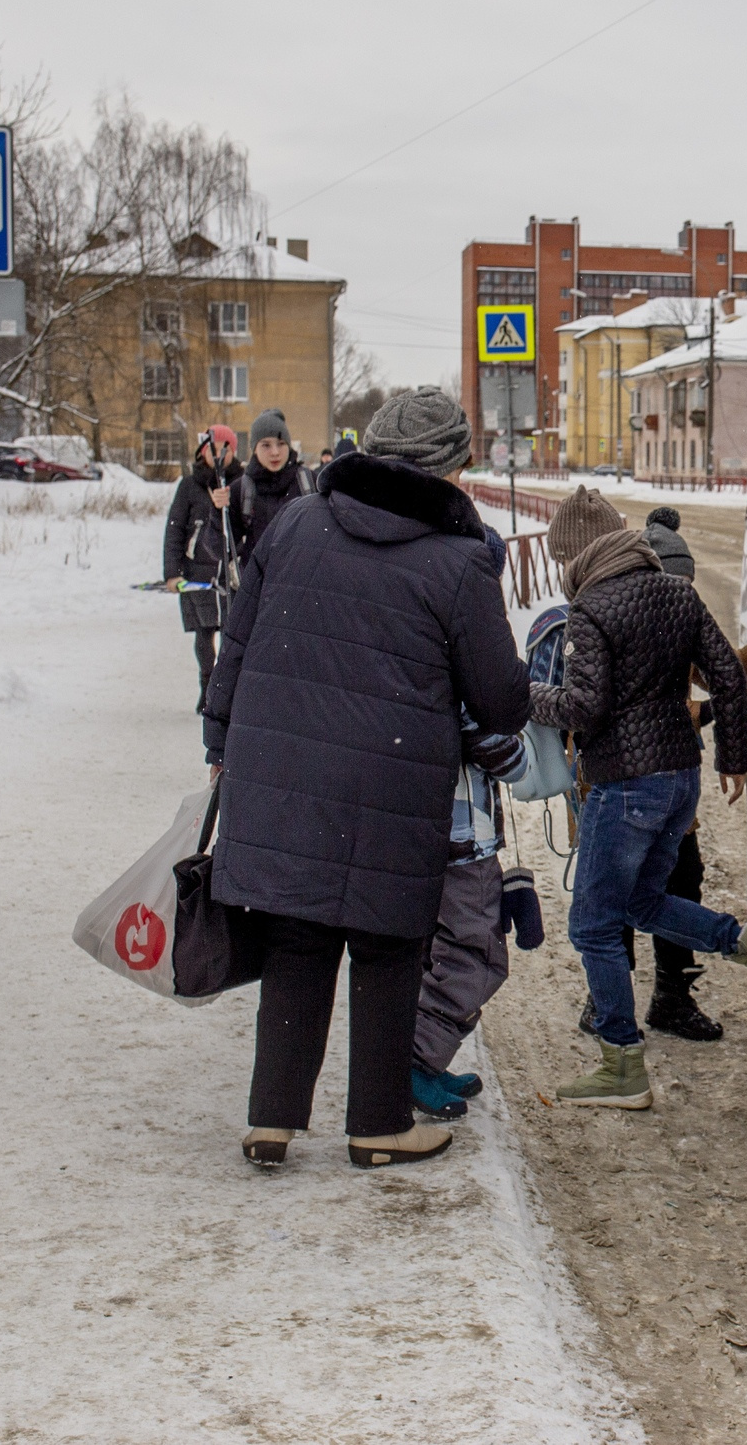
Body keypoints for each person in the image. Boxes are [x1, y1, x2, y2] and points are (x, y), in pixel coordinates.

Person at [205, 386, 529, 1170]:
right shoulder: (458, 560)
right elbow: (501, 700)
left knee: (298, 935)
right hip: (391, 784)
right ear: (450, 468)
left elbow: (238, 640)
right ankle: (379, 1125)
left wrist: (220, 738)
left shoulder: (298, 521)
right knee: (387, 947)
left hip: (284, 771)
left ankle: (272, 1119)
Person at [532, 487, 747, 1111]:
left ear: (575, 553)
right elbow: (729, 676)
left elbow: (583, 707)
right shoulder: (678, 594)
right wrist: (735, 758)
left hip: (624, 787)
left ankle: (621, 1062)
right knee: (646, 903)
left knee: (593, 925)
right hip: (680, 782)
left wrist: (528, 696)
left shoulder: (591, 610)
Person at [408, 713, 545, 1119]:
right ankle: (417, 1063)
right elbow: (496, 746)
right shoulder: (455, 649)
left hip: (411, 823)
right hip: (460, 830)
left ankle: (419, 1057)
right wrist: (518, 751)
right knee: (476, 958)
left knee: (430, 949)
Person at [163, 426, 238, 711]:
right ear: (203, 451)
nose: (219, 454)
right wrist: (172, 572)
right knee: (205, 631)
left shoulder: (242, 481)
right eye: (213, 448)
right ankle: (207, 685)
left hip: (232, 573)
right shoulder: (189, 486)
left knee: (233, 631)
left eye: (225, 448)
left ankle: (228, 688)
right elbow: (175, 529)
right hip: (197, 572)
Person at [232, 409, 315, 565]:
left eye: (281, 444)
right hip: (256, 585)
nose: (275, 452)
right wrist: (218, 512)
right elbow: (217, 548)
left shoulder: (309, 482)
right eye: (266, 445)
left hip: (302, 580)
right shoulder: (242, 489)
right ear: (254, 448)